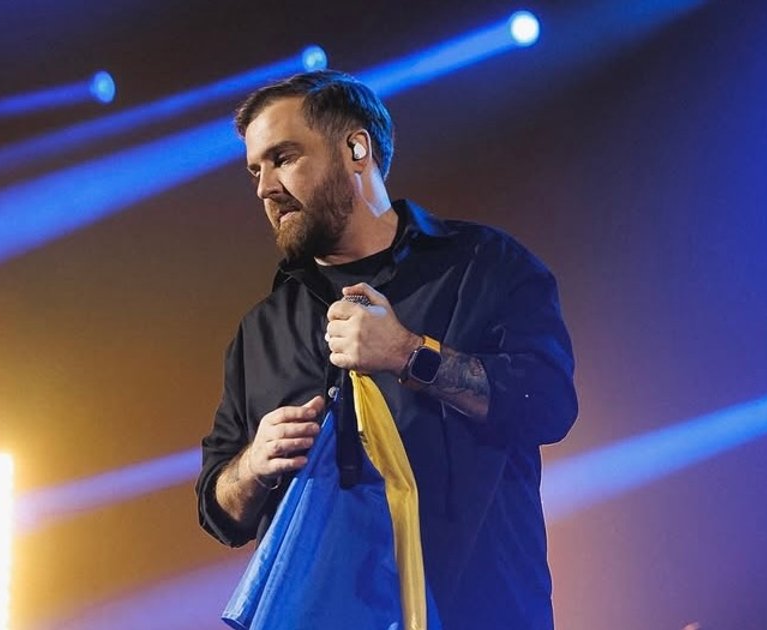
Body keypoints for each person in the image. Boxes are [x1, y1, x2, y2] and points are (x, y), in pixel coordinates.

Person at [196, 69, 578, 629]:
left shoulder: (484, 264)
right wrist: (253, 465)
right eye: (255, 170)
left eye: (283, 158)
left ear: (357, 149)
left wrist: (409, 354)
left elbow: (547, 403)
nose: (264, 188)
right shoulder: (262, 331)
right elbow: (218, 509)